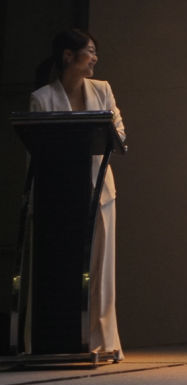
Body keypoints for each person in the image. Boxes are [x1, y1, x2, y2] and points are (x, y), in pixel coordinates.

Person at [29, 28, 127, 360]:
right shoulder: (42, 98)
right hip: (58, 196)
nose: (95, 58)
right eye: (90, 51)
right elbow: (36, 150)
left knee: (100, 269)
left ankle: (101, 340)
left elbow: (119, 134)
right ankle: (59, 339)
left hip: (98, 189)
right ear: (68, 56)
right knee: (61, 268)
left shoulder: (102, 90)